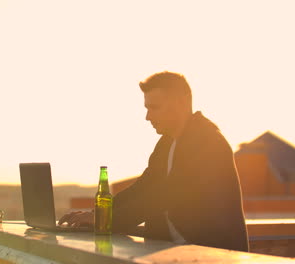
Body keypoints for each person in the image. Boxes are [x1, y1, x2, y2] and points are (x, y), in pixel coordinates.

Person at [58, 71, 249, 252]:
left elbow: (163, 196)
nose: (147, 117)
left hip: (212, 255)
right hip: (174, 251)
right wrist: (98, 214)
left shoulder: (207, 141)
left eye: (154, 108)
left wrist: (104, 220)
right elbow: (142, 188)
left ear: (181, 103)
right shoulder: (167, 143)